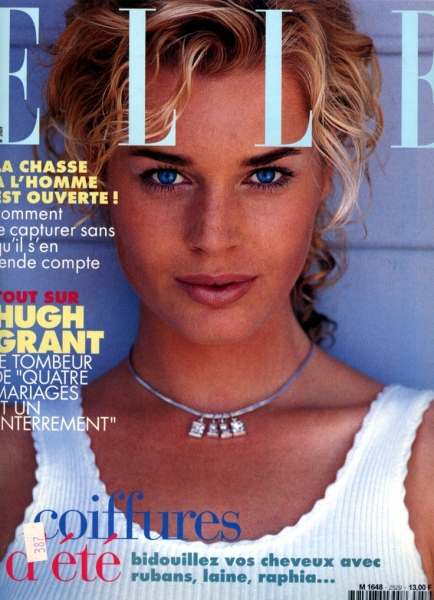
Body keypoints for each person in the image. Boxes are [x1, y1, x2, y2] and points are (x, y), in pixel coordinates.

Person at [1, 0, 433, 597]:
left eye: (265, 175)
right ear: (101, 177)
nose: (212, 236)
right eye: (165, 176)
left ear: (325, 176)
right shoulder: (14, 459)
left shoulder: (423, 466)